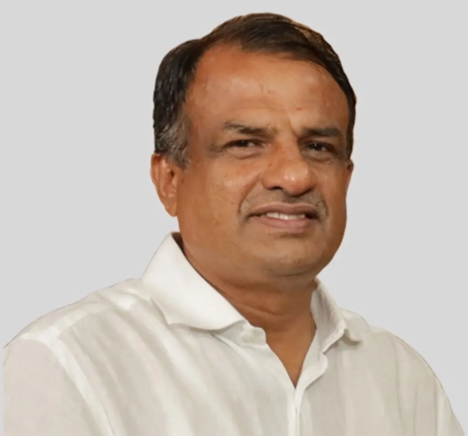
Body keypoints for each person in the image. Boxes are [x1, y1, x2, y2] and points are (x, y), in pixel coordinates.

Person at [4, 12, 464, 436]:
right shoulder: (68, 366)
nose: (294, 176)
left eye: (318, 147)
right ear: (169, 179)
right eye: (245, 143)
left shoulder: (400, 377)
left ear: (347, 178)